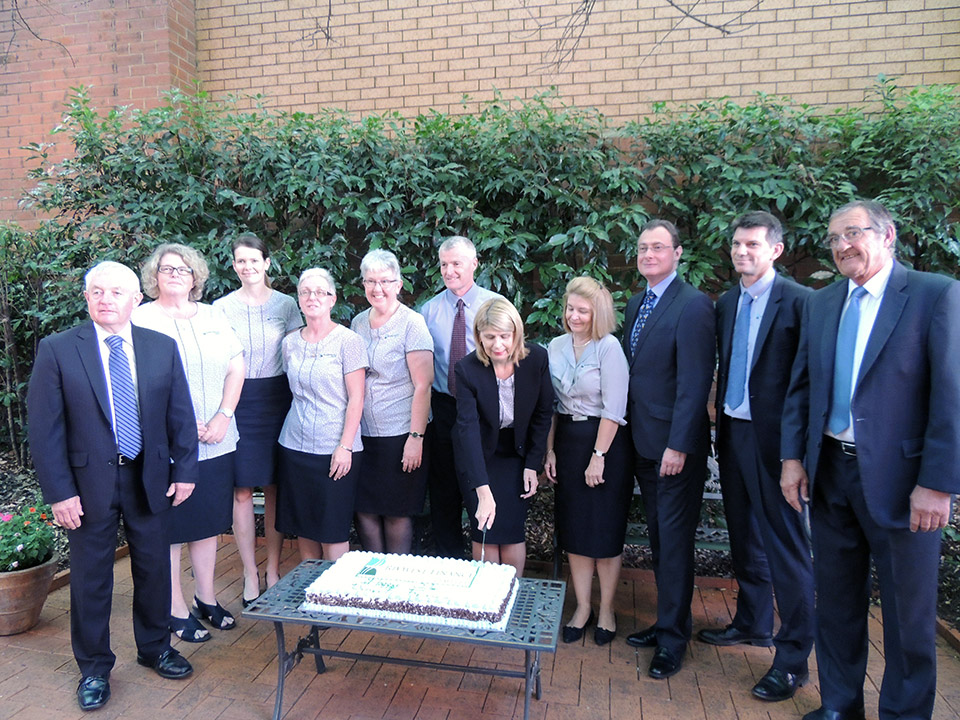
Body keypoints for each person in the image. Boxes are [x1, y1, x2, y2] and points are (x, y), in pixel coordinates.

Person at [781, 200, 960, 720]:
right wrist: (793, 459)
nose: (842, 246)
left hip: (905, 483)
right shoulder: (822, 303)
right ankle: (840, 705)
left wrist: (938, 484)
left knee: (908, 614)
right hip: (831, 472)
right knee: (835, 601)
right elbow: (803, 390)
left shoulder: (934, 295)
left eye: (852, 234)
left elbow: (950, 397)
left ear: (887, 235)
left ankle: (903, 714)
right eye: (834, 238)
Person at [27, 261, 198, 711]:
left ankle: (155, 647)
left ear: (135, 298)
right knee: (90, 578)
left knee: (154, 568)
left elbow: (179, 414)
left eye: (116, 292)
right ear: (86, 299)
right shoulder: (59, 349)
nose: (106, 300)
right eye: (97, 292)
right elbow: (44, 431)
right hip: (86, 485)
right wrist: (60, 492)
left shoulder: (161, 347)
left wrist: (185, 471)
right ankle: (94, 669)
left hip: (150, 478)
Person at [704, 211, 814, 701]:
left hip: (778, 448)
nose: (741, 252)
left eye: (752, 244)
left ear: (776, 249)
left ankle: (792, 662)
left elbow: (807, 383)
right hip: (733, 436)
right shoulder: (727, 302)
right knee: (745, 535)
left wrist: (797, 454)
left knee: (787, 550)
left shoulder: (801, 302)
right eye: (736, 244)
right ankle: (752, 622)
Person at [133, 244, 245, 642]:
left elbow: (236, 366)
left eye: (183, 269)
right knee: (171, 528)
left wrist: (223, 415)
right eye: (167, 269)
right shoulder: (139, 318)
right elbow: (132, 382)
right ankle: (174, 608)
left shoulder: (214, 315)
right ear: (154, 276)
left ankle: (206, 598)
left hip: (216, 439)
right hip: (165, 445)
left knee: (207, 524)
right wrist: (174, 427)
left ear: (195, 276)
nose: (175, 275)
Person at [621, 219, 715, 680]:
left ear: (678, 253)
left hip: (674, 449)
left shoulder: (694, 305)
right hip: (643, 440)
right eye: (642, 248)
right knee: (660, 538)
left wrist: (678, 445)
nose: (649, 255)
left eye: (658, 247)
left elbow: (695, 384)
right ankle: (666, 623)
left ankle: (674, 641)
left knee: (674, 544)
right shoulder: (638, 301)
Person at [213, 234, 302, 602]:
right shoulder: (219, 307)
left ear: (267, 263)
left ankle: (273, 567)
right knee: (242, 489)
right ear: (234, 266)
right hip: (238, 400)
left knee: (276, 485)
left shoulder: (287, 304)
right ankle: (250, 572)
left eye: (254, 260)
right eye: (240, 261)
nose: (247, 267)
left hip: (279, 398)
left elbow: (300, 352)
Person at [544, 277, 631, 646]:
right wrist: (549, 450)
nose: (574, 316)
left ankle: (607, 609)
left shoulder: (609, 348)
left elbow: (615, 409)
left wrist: (598, 457)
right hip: (566, 441)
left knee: (605, 532)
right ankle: (582, 607)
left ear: (597, 313)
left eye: (582, 310)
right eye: (570, 308)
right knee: (576, 531)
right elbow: (549, 406)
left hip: (605, 444)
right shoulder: (555, 346)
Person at [453, 298, 554, 575]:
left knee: (510, 529)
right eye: (489, 337)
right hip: (478, 455)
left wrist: (533, 464)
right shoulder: (467, 369)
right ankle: (487, 604)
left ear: (516, 334)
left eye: (504, 336)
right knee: (484, 525)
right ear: (479, 337)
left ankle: (511, 597)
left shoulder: (536, 359)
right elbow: (468, 429)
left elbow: (543, 413)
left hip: (517, 453)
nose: (498, 344)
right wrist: (481, 488)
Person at [420, 236, 504, 558]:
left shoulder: (494, 305)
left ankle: (486, 568)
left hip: (485, 409)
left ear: (474, 263)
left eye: (456, 263)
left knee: (483, 484)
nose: (449, 270)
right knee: (443, 493)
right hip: (444, 408)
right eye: (444, 264)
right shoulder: (428, 311)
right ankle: (449, 564)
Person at [276, 268, 367, 562]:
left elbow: (357, 398)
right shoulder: (290, 343)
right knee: (304, 526)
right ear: (299, 300)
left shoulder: (348, 341)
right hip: (294, 446)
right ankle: (311, 599)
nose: (312, 297)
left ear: (332, 300)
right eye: (305, 292)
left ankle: (334, 601)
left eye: (320, 292)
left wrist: (345, 446)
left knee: (332, 530)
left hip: (334, 449)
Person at [350, 249, 434, 554]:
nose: (377, 288)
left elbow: (423, 385)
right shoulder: (358, 322)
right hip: (364, 435)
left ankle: (397, 579)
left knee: (397, 512)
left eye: (385, 281)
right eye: (370, 281)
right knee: (365, 509)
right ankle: (375, 576)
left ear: (399, 284)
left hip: (400, 434)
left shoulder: (412, 324)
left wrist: (416, 437)